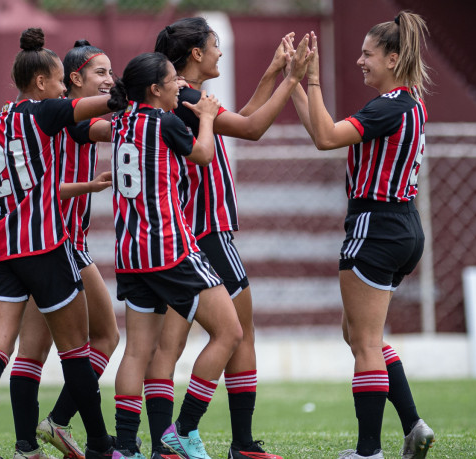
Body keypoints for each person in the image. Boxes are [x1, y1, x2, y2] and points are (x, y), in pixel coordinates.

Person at [146, 17, 312, 459]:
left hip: (186, 233)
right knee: (239, 333)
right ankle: (222, 440)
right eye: (215, 45)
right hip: (208, 233)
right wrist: (292, 79)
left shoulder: (180, 96)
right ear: (196, 53)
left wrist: (271, 74)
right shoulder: (187, 97)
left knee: (171, 344)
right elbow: (252, 128)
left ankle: (166, 442)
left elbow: (237, 119)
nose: (220, 52)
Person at [290, 11, 436, 459]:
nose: (359, 61)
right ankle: (412, 424)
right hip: (405, 227)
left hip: (377, 225)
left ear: (393, 58)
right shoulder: (409, 104)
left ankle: (368, 451)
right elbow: (322, 130)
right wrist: (292, 81)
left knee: (365, 342)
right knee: (358, 334)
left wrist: (311, 80)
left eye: (367, 54)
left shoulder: (387, 106)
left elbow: (326, 138)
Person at [0, 28, 117, 459]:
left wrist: (87, 185)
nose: (59, 89)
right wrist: (152, 85)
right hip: (44, 243)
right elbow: (112, 104)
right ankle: (100, 445)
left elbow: (37, 183)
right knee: (77, 349)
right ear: (42, 83)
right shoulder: (46, 112)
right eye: (57, 81)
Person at [103, 51, 241, 459]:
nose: (180, 85)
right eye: (172, 81)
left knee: (136, 351)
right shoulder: (163, 122)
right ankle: (182, 430)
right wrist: (209, 116)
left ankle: (125, 449)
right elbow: (203, 155)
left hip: (130, 253)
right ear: (154, 89)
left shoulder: (121, 122)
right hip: (170, 248)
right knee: (229, 332)